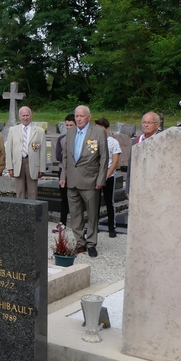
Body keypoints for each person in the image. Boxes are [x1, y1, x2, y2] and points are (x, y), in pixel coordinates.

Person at [59, 105, 108, 258]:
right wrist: (63, 176)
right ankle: (80, 242)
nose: (78, 119)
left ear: (89, 117)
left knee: (92, 214)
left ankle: (91, 243)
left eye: (81, 116)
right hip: (72, 180)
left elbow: (104, 157)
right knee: (75, 214)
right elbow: (66, 157)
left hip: (90, 180)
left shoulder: (98, 132)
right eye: (76, 116)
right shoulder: (70, 132)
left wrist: (101, 179)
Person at [6, 106, 47, 200]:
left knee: (32, 192)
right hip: (18, 163)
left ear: (31, 116)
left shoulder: (39, 131)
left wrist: (42, 168)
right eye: (23, 115)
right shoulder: (13, 130)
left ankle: (32, 208)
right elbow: (9, 150)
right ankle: (21, 209)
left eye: (27, 115)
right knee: (20, 191)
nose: (25, 118)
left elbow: (43, 151)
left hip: (32, 163)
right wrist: (10, 167)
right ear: (19, 117)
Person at [95, 118, 121, 238]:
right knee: (94, 202)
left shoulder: (113, 142)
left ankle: (111, 227)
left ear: (107, 129)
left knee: (109, 201)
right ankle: (94, 226)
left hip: (109, 175)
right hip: (95, 175)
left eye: (101, 128)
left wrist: (106, 175)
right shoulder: (93, 142)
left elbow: (115, 161)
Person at [53, 114, 76, 231]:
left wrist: (66, 154)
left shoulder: (80, 138)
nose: (69, 127)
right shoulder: (62, 139)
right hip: (63, 171)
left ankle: (77, 223)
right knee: (64, 198)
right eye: (67, 125)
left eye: (71, 125)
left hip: (76, 172)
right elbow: (58, 156)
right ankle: (62, 222)